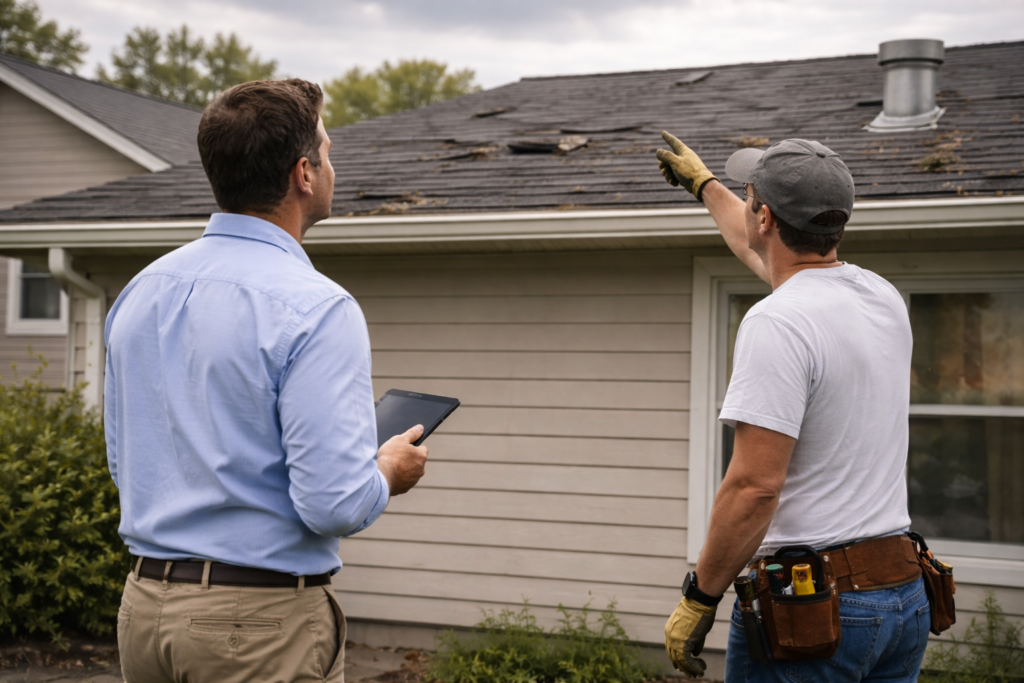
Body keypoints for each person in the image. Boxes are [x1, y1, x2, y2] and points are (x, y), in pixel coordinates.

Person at [105, 79, 428, 683]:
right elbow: (332, 503)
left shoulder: (141, 291)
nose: (333, 165)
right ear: (304, 173)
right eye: (328, 152)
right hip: (254, 627)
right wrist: (386, 471)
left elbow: (129, 463)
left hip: (144, 613)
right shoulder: (316, 307)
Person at [654, 133, 928, 682]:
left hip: (815, 615)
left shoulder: (776, 321)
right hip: (902, 595)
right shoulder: (880, 295)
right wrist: (706, 185)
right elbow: (768, 254)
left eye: (750, 196)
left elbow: (754, 487)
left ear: (766, 219)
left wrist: (699, 598)